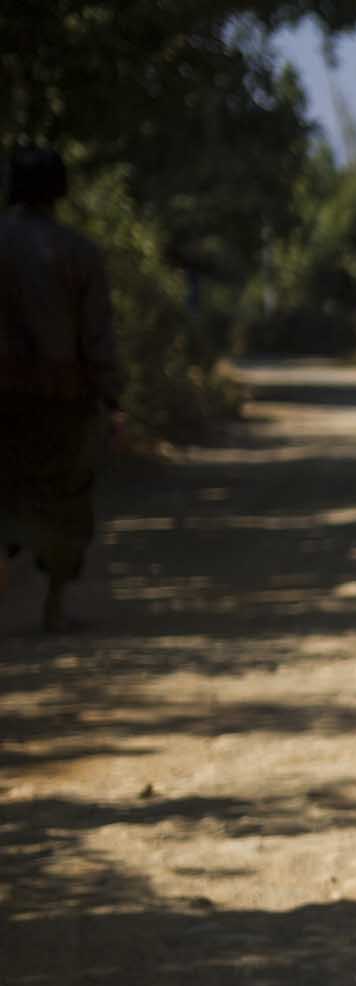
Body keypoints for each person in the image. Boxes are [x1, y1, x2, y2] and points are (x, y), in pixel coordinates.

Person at [0, 146, 122, 632]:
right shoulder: (79, 253)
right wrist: (112, 397)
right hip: (61, 400)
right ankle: (51, 606)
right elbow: (97, 334)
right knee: (65, 500)